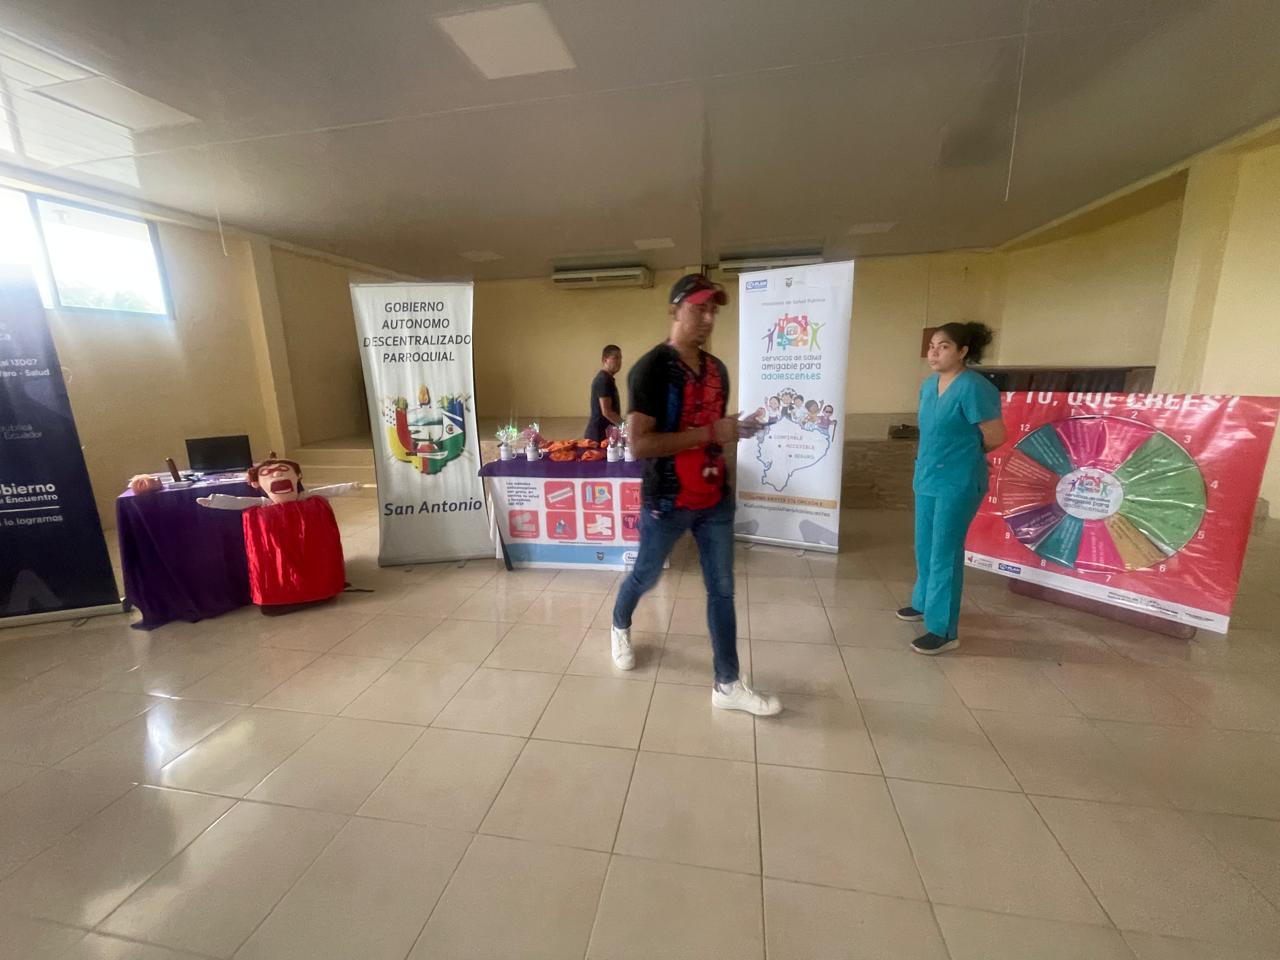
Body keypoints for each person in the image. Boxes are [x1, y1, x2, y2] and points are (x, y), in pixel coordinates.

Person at [610, 273, 782, 716]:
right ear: (674, 310)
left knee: (722, 590)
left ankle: (727, 684)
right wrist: (711, 431)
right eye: (698, 308)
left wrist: (735, 430)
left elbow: (711, 431)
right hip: (666, 501)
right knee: (646, 575)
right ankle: (619, 623)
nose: (707, 318)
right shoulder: (650, 369)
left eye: (713, 311)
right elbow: (639, 445)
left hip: (714, 498)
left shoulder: (718, 370)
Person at [898, 322, 1005, 654]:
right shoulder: (929, 386)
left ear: (962, 352)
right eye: (932, 346)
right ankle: (923, 602)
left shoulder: (974, 387)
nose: (934, 353)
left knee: (945, 550)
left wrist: (965, 455)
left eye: (943, 346)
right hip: (927, 476)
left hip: (959, 481)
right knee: (924, 546)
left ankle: (944, 630)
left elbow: (996, 435)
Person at [585, 344, 623, 442]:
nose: (619, 362)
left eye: (620, 358)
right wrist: (625, 426)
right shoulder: (603, 380)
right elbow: (607, 412)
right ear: (605, 360)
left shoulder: (607, 379)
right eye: (615, 358)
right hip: (598, 437)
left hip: (605, 434)